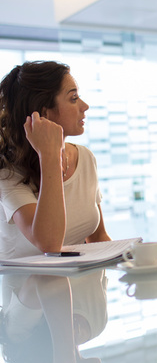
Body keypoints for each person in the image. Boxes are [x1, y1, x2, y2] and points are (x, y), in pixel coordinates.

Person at [0, 61, 110, 259]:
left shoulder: (85, 158)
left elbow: (99, 238)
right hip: (26, 287)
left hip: (84, 287)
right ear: (43, 113)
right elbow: (49, 244)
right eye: (73, 98)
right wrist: (50, 155)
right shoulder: (8, 172)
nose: (85, 106)